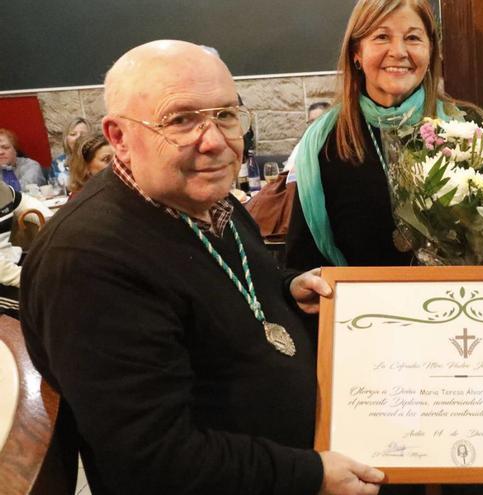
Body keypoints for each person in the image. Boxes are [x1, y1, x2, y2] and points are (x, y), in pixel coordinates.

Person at [21, 40, 383, 495]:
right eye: (181, 120)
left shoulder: (207, 200)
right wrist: (310, 474)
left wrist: (286, 289)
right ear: (118, 138)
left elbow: (215, 290)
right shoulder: (89, 262)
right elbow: (155, 458)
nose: (214, 141)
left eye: (226, 115)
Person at [285, 0, 469, 271]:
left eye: (413, 38)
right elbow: (301, 263)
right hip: (361, 308)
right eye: (382, 36)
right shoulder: (323, 143)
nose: (399, 51)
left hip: (458, 302)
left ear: (431, 51)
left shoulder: (469, 130)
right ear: (356, 53)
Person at [0, 182, 51, 317]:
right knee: (48, 303)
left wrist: (51, 223)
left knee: (65, 276)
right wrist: (32, 279)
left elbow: (24, 203)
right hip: (4, 277)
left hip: (12, 262)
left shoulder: (2, 189)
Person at [49, 117, 91, 181]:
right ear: (66, 139)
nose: (78, 137)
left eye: (83, 134)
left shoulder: (97, 159)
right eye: (73, 134)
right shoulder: (57, 164)